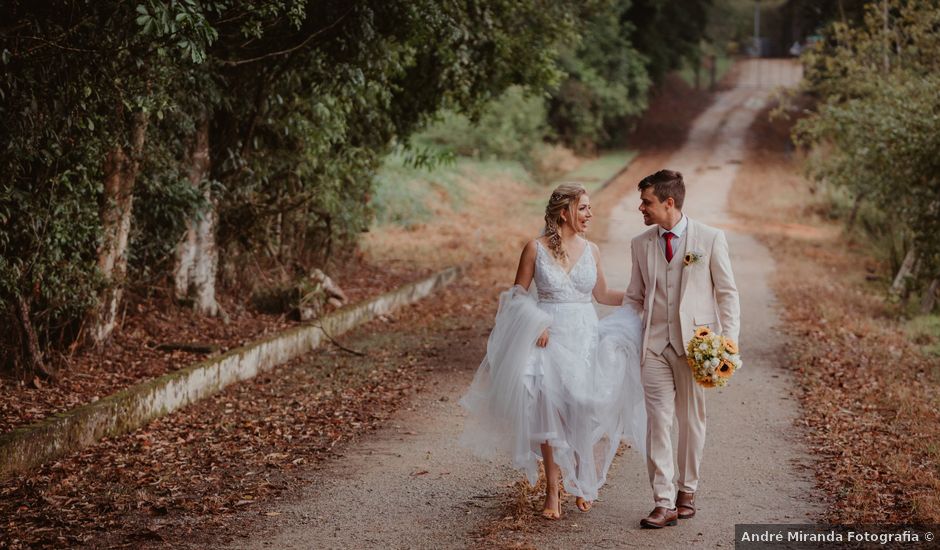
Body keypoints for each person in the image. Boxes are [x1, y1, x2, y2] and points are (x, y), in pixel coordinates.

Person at [460, 183, 646, 519]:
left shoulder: (593, 250)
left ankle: (580, 478)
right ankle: (552, 490)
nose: (590, 215)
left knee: (581, 406)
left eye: (589, 208)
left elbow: (602, 294)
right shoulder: (534, 248)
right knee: (548, 407)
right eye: (584, 208)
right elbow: (516, 295)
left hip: (584, 336)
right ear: (564, 212)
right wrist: (536, 323)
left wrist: (640, 297)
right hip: (548, 337)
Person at [621, 169, 740, 528]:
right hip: (655, 346)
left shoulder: (710, 238)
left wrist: (727, 344)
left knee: (691, 422)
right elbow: (634, 297)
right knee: (658, 422)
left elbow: (727, 293)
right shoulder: (640, 244)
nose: (640, 208)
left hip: (696, 347)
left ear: (668, 202)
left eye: (647, 202)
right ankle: (663, 500)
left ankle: (686, 491)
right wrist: (618, 336)